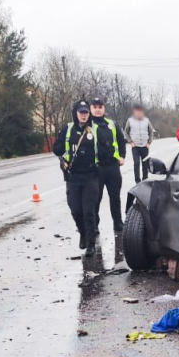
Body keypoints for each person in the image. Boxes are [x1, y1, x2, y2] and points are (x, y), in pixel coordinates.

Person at [53, 100, 100, 256]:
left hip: (90, 176)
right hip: (73, 176)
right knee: (76, 210)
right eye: (81, 112)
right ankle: (83, 233)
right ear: (76, 113)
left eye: (86, 112)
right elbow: (57, 149)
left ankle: (91, 243)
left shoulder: (95, 130)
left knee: (89, 211)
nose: (83, 115)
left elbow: (105, 149)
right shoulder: (67, 129)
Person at [90, 97, 127, 232]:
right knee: (96, 199)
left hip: (112, 167)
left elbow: (121, 140)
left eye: (100, 107)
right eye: (95, 107)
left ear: (104, 108)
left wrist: (122, 156)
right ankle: (94, 226)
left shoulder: (111, 124)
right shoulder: (87, 125)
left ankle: (118, 223)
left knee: (115, 198)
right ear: (91, 109)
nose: (98, 110)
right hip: (96, 168)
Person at [124, 104, 154, 184]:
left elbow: (151, 132)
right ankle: (137, 181)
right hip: (135, 147)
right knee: (136, 163)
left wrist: (149, 142)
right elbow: (126, 132)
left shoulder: (146, 120)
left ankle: (145, 180)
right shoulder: (130, 120)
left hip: (145, 146)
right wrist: (130, 141)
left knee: (145, 164)